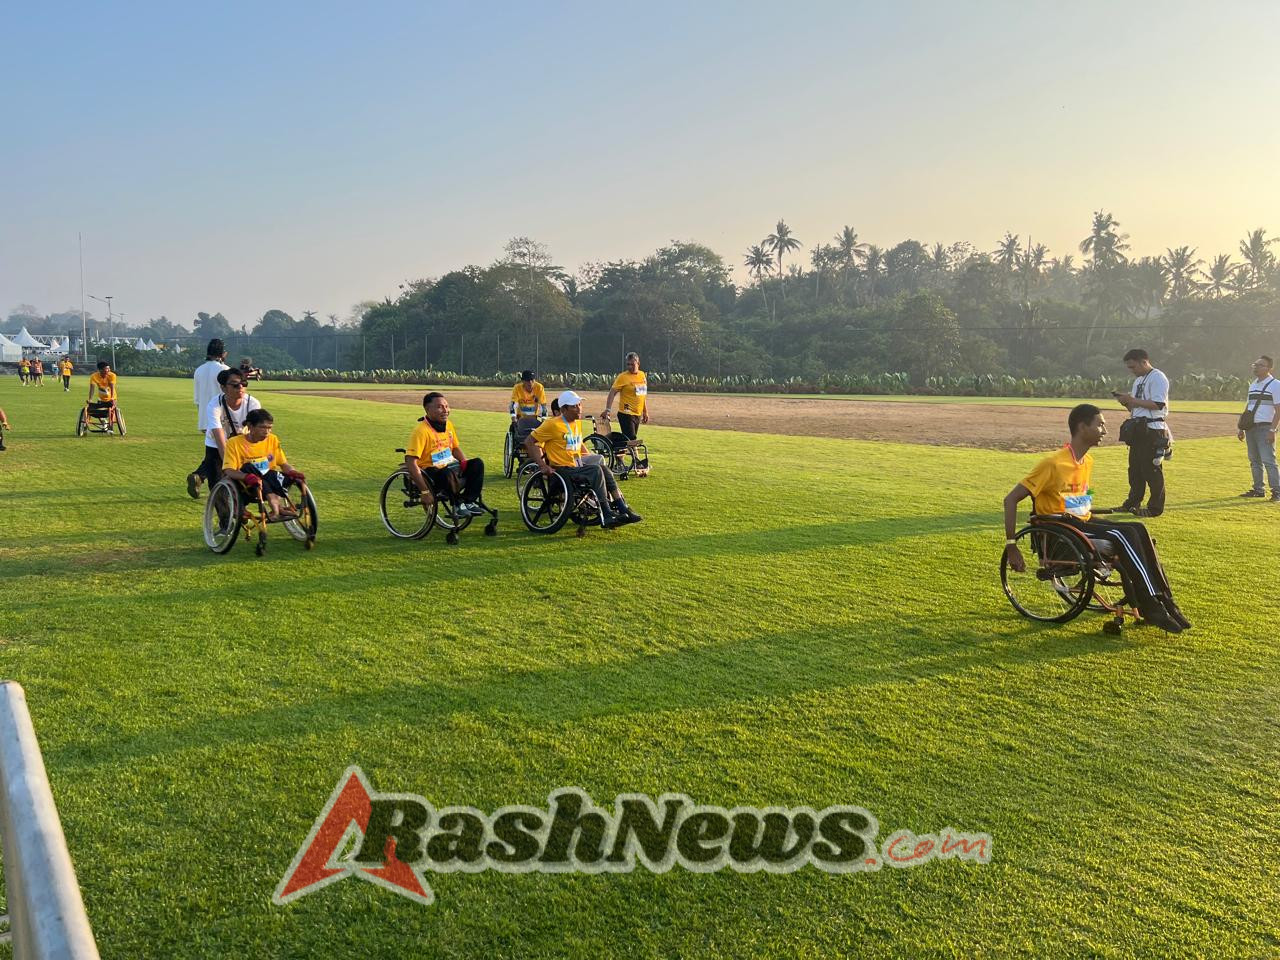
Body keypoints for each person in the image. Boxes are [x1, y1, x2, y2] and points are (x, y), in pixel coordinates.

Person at [1003, 403, 1190, 634]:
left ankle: (1165, 599)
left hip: (1081, 520)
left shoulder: (1087, 461)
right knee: (1123, 534)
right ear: (1082, 427)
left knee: (1138, 529)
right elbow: (1010, 500)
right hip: (1060, 525)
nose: (1105, 430)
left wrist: (1087, 508)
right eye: (1100, 425)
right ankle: (1150, 603)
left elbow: (1077, 498)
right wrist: (1011, 545)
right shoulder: (1052, 463)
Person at [526, 390, 642, 528]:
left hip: (576, 465)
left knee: (604, 469)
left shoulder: (576, 423)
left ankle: (622, 507)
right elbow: (529, 441)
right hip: (562, 469)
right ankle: (606, 512)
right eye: (574, 406)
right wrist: (542, 465)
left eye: (579, 404)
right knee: (596, 471)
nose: (579, 408)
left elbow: (578, 447)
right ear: (563, 409)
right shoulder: (552, 424)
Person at [403, 392, 486, 517]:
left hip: (449, 466)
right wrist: (425, 491)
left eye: (446, 406)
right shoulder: (421, 431)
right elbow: (410, 462)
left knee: (477, 464)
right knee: (447, 474)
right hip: (430, 472)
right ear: (427, 409)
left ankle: (468, 501)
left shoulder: (448, 425)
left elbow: (455, 448)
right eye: (439, 407)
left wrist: (465, 463)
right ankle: (457, 504)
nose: (445, 410)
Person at [1111, 348, 1170, 518]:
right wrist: (1126, 402)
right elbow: (1135, 408)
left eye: (1133, 367)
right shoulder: (1138, 380)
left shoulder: (1158, 377)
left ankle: (1154, 508)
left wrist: (1131, 399)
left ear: (1144, 362)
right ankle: (1132, 503)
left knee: (1151, 470)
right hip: (1138, 428)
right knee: (1135, 470)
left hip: (1153, 429)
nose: (1132, 371)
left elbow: (1158, 404)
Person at [222, 409, 304, 520]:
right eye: (262, 427)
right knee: (249, 468)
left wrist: (293, 472)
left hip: (270, 479)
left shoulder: (272, 439)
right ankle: (275, 507)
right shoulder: (234, 443)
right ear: (250, 426)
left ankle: (278, 507)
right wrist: (247, 477)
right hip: (247, 484)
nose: (267, 432)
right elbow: (228, 470)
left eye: (269, 428)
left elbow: (283, 464)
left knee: (283, 477)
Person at [196, 370, 262, 495]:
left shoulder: (252, 404)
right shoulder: (215, 405)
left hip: (241, 444)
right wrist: (229, 465)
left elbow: (257, 431)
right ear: (223, 388)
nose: (240, 387)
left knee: (248, 483)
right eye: (235, 385)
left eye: (243, 383)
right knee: (216, 484)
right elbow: (218, 435)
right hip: (216, 445)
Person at [189, 339, 230, 498]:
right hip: (222, 418)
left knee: (213, 452)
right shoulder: (224, 370)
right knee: (220, 453)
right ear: (223, 353)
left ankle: (200, 477)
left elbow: (197, 398)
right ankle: (206, 478)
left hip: (205, 417)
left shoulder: (199, 370)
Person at [1238, 355, 1280, 501]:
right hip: (1251, 427)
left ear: (1269, 368)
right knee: (1254, 460)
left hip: (1265, 427)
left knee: (1268, 460)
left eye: (1260, 365)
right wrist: (1241, 427)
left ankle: (1277, 491)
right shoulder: (1253, 384)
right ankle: (1258, 489)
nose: (1256, 367)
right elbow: (1248, 406)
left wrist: (1272, 430)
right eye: (1255, 364)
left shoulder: (1275, 385)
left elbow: (1278, 410)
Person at [602, 352, 650, 443]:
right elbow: (612, 392)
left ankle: (613, 445)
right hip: (626, 413)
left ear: (638, 363)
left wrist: (645, 411)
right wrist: (608, 410)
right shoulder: (623, 377)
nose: (630, 367)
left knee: (627, 441)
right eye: (628, 364)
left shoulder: (642, 375)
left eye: (632, 364)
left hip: (637, 414)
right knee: (632, 439)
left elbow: (642, 395)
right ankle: (634, 456)